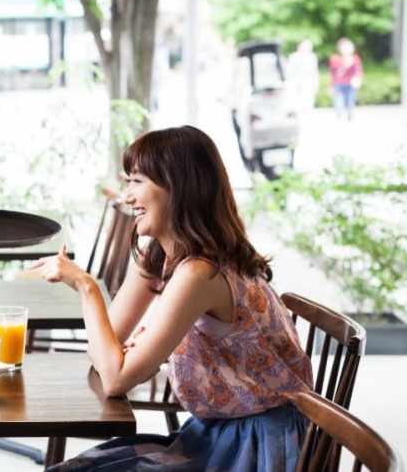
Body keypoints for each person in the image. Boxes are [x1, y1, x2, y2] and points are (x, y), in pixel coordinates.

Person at [30, 125, 313, 471]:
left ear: (178, 188)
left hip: (258, 445)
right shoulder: (162, 254)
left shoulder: (200, 272)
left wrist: (86, 287)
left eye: (137, 181)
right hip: (216, 431)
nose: (127, 196)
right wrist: (114, 353)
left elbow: (116, 378)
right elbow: (109, 348)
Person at [328, 37, 362, 121]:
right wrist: (331, 85)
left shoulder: (355, 58)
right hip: (339, 83)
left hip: (351, 83)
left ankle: (350, 114)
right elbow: (333, 73)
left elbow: (358, 71)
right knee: (339, 100)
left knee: (351, 100)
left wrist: (358, 79)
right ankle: (339, 115)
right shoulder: (335, 58)